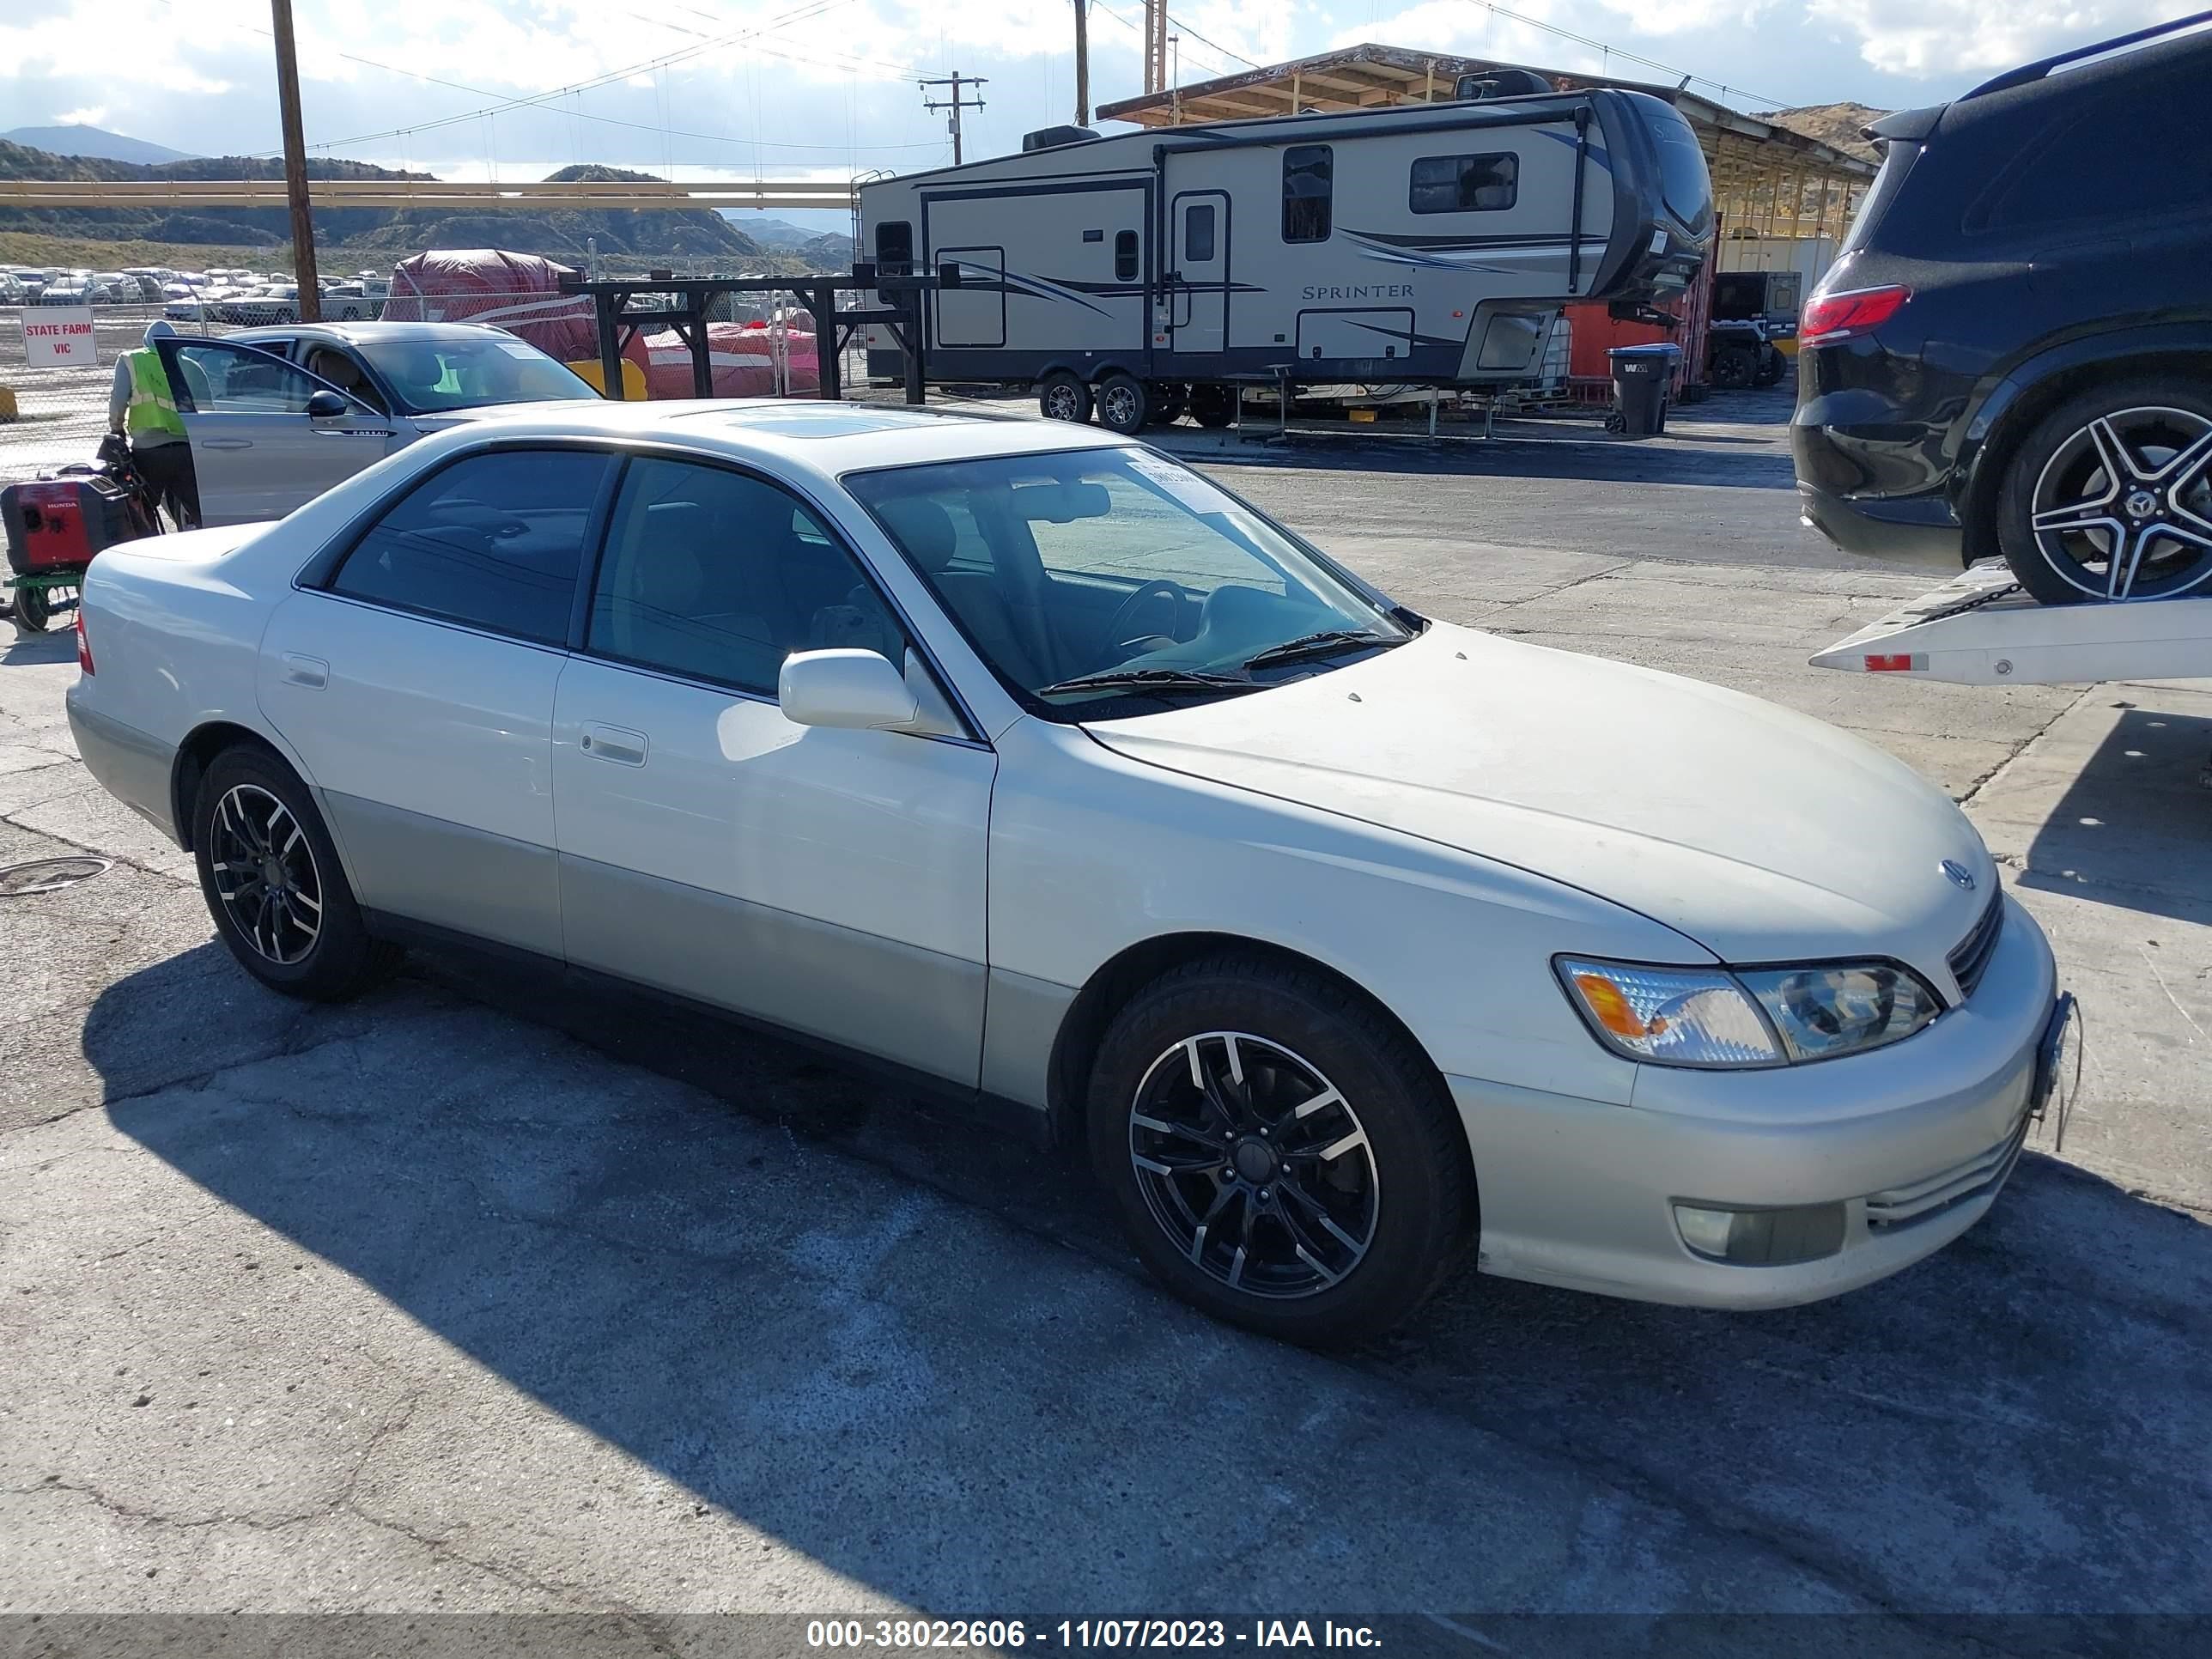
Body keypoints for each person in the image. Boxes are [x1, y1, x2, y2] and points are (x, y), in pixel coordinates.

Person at [108, 321, 200, 529]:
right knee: (199, 510)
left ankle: (150, 550)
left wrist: (116, 428)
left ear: (146, 341)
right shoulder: (190, 365)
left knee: (143, 510)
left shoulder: (132, 361)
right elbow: (208, 405)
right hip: (187, 449)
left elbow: (118, 400)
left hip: (148, 450)